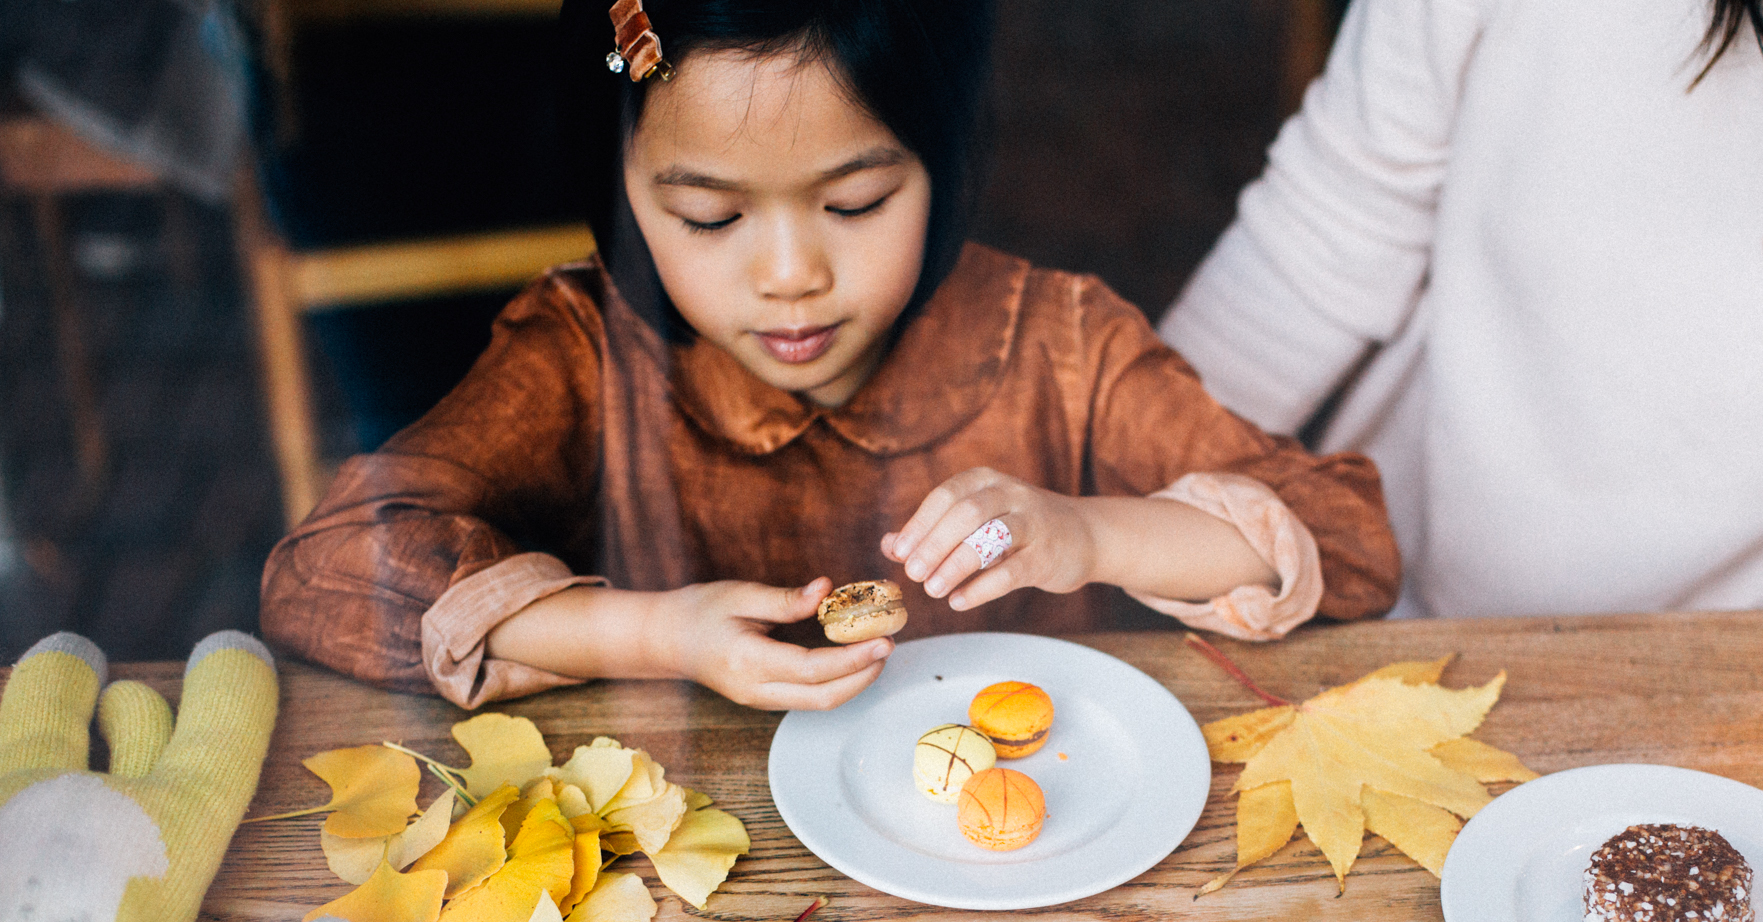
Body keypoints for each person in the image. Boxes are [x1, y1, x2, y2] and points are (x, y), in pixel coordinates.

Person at [258, 0, 1400, 711]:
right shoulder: (583, 357)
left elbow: (1347, 545)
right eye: (710, 220)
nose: (790, 274)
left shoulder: (1053, 342)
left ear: (944, 161)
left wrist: (1083, 530)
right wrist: (651, 633)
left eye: (854, 203)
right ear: (616, 193)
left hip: (1012, 893)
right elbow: (324, 573)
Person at [1158, 0, 1763, 620]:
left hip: (1723, 745)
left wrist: (1642, 768)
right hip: (1357, 622)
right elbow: (1319, 240)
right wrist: (1097, 509)